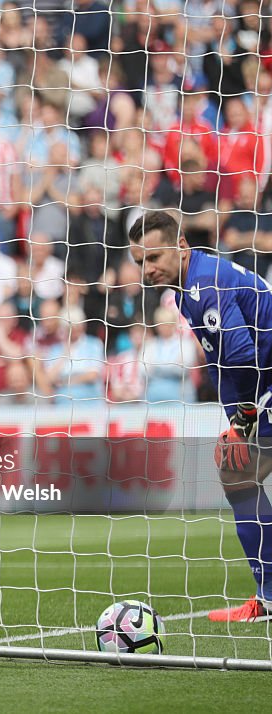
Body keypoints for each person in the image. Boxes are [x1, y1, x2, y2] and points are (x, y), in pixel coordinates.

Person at [129, 211, 272, 622]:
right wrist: (237, 419)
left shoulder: (205, 286)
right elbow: (223, 360)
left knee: (237, 473)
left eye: (155, 256)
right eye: (141, 262)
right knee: (237, 473)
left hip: (264, 388)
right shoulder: (187, 288)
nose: (149, 268)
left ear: (181, 247)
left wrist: (243, 417)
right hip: (262, 392)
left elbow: (242, 355)